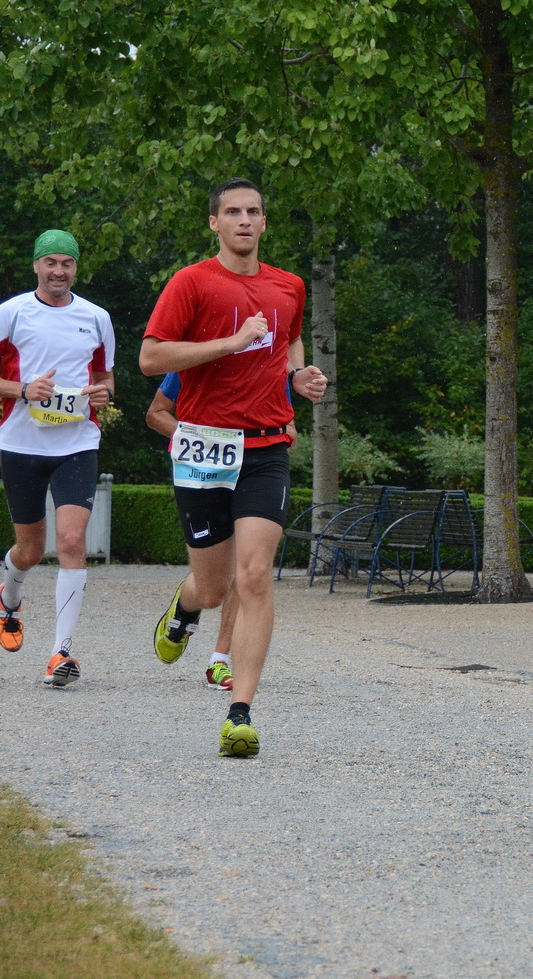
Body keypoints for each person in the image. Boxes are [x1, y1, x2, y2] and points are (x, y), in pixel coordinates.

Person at [139, 178, 327, 757]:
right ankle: (186, 606)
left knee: (255, 576)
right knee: (217, 588)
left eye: (254, 212)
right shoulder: (191, 283)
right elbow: (151, 357)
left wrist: (300, 377)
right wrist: (227, 342)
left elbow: (288, 343)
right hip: (203, 446)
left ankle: (239, 713)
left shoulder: (288, 286)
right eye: (233, 213)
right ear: (214, 223)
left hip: (266, 447)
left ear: (264, 223)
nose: (244, 220)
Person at [0, 230, 116, 687]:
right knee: (30, 550)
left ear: (75, 268)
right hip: (21, 444)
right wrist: (23, 390)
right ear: (35, 266)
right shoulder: (10, 313)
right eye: (50, 262)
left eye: (66, 263)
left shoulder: (97, 317)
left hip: (77, 444)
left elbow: (107, 379)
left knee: (70, 542)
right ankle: (9, 598)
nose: (58, 271)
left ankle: (60, 654)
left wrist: (104, 395)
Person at [146, 371, 297, 691]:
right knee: (212, 587)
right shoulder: (198, 358)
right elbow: (156, 413)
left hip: (257, 471)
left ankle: (220, 660)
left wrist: (278, 438)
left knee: (250, 568)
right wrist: (198, 439)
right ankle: (186, 607)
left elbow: (289, 424)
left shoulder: (270, 363)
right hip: (203, 470)